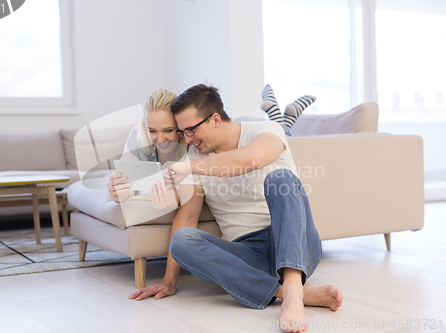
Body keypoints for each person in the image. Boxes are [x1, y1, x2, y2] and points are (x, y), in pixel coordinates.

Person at [128, 84, 343, 333]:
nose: (187, 140)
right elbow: (188, 216)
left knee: (281, 179)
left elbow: (252, 159)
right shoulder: (194, 157)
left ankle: (294, 295)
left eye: (190, 131)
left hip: (294, 243)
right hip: (248, 254)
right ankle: (287, 292)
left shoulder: (265, 130)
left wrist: (189, 168)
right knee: (181, 240)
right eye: (183, 133)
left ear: (215, 119)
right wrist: (168, 281)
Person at [107, 88, 187, 204]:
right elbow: (129, 186)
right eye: (152, 131)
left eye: (168, 130)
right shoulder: (138, 135)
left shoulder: (191, 140)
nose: (160, 139)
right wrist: (119, 192)